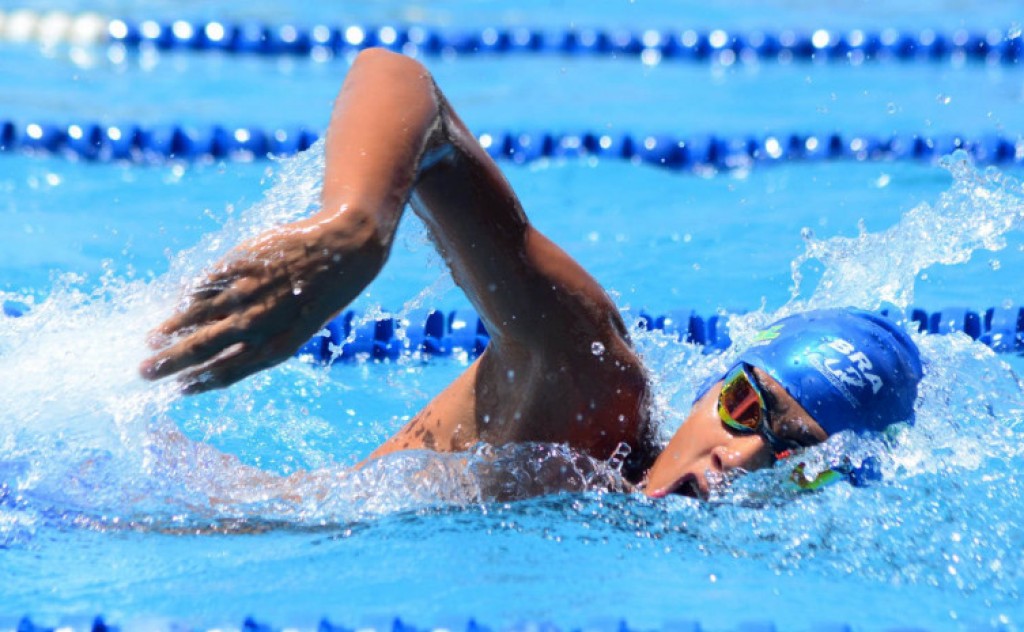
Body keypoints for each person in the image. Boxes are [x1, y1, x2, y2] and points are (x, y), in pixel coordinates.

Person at [139, 48, 922, 500]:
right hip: (128, 505)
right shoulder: (592, 396)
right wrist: (358, 223)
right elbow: (405, 86)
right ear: (711, 385)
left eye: (797, 456)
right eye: (746, 405)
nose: (742, 455)